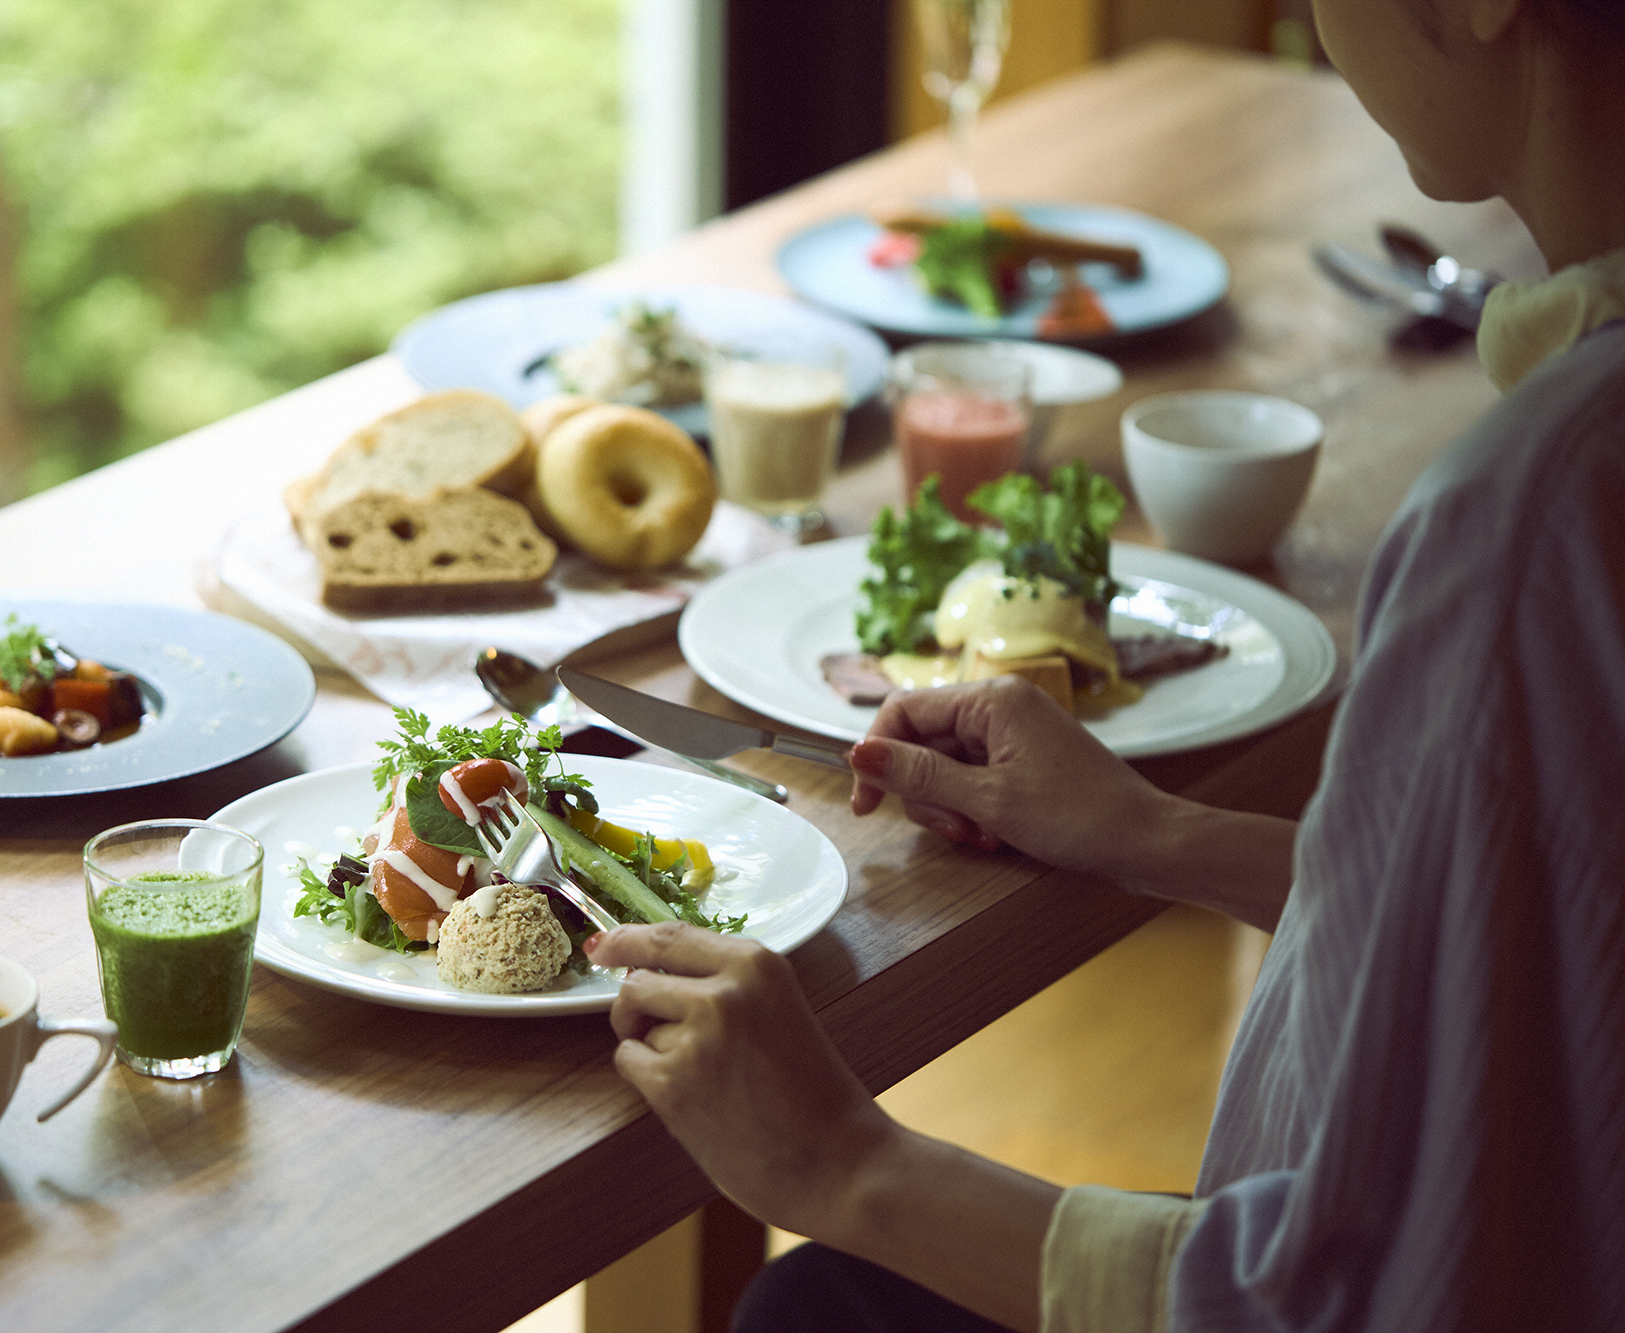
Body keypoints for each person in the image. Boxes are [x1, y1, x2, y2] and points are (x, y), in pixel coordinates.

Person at [583, 0, 1625, 1328]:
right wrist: (1154, 830)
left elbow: (1370, 1299)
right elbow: (1534, 953)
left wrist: (846, 1162)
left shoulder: (1535, 516)